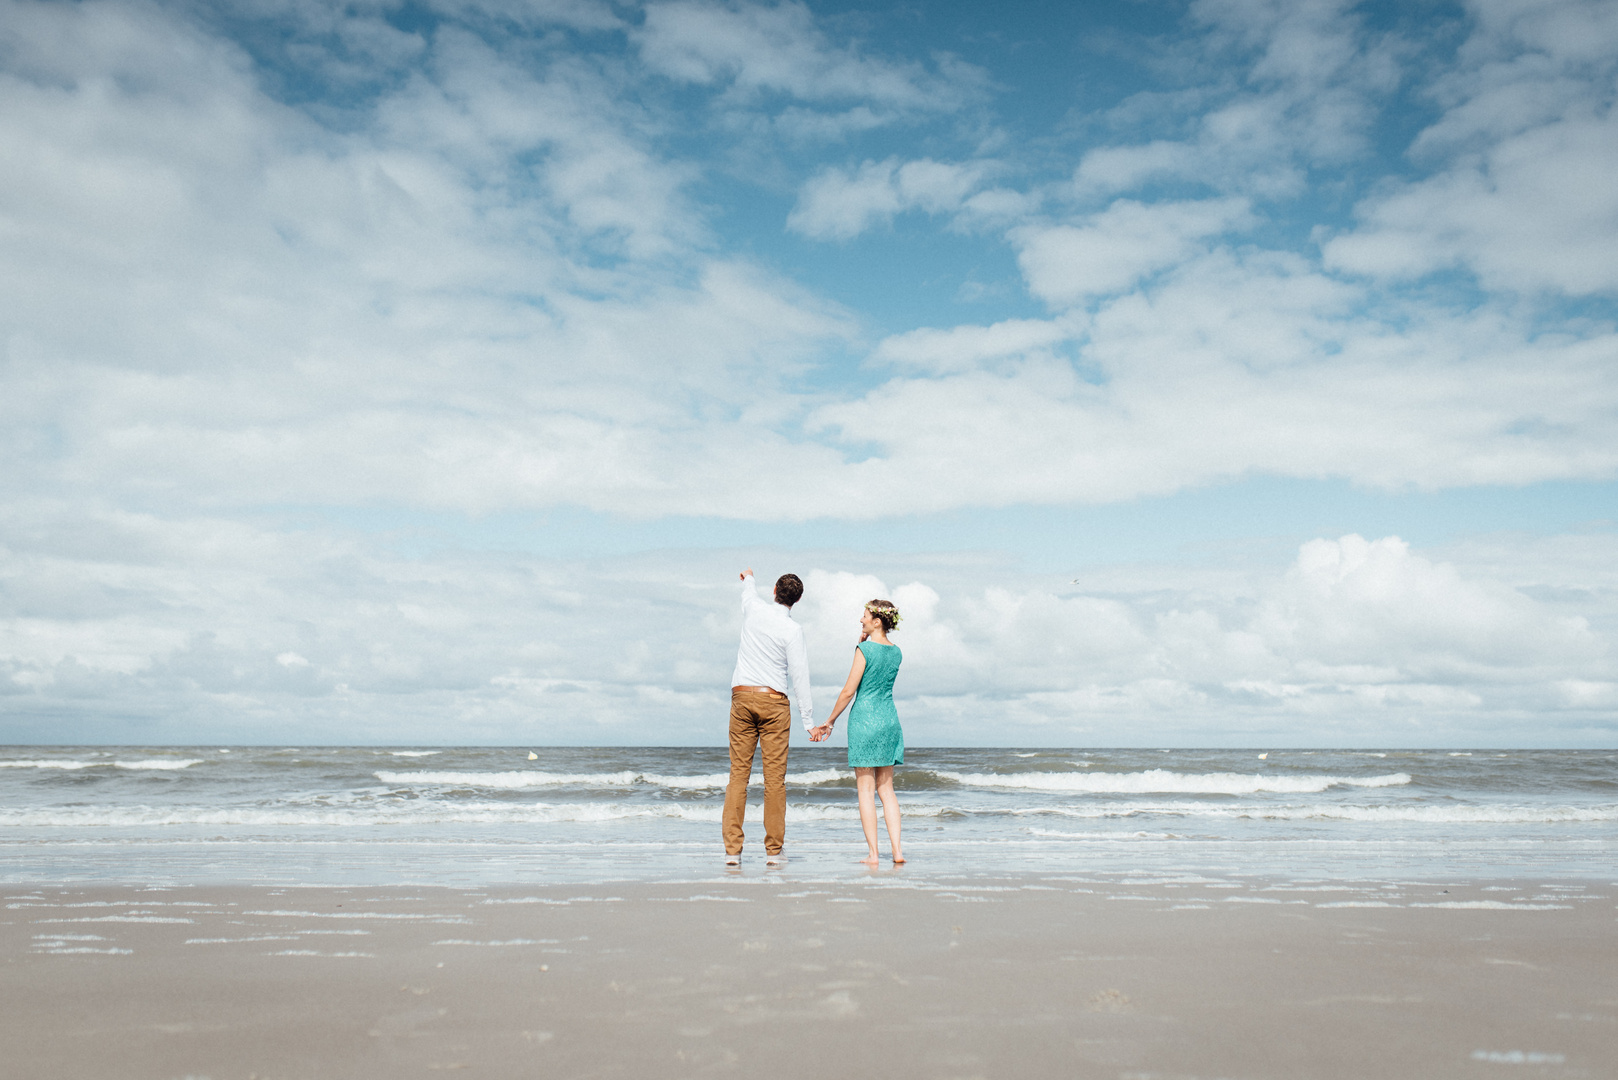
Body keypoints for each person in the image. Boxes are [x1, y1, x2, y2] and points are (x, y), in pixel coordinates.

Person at [724, 568, 814, 867]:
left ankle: (733, 852)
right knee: (774, 780)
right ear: (796, 600)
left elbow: (748, 591)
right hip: (774, 702)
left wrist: (749, 576)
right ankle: (774, 852)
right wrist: (809, 721)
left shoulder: (754, 609)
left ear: (774, 590)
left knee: (738, 775)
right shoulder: (793, 630)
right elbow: (799, 677)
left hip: (742, 696)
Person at [810, 599, 904, 865]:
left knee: (865, 790)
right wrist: (866, 638)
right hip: (888, 720)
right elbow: (880, 660)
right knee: (887, 789)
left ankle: (874, 854)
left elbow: (849, 691)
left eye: (864, 616)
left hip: (865, 720)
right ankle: (897, 851)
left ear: (877, 621)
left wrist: (829, 721)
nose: (860, 620)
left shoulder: (863, 649)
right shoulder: (897, 652)